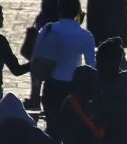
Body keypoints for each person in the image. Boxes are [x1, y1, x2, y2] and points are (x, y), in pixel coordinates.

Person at [32, 0, 97, 135]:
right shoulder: (85, 35)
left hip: (51, 84)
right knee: (70, 131)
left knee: (52, 129)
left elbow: (37, 60)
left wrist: (35, 92)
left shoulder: (48, 29)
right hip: (74, 88)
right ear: (78, 12)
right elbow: (92, 65)